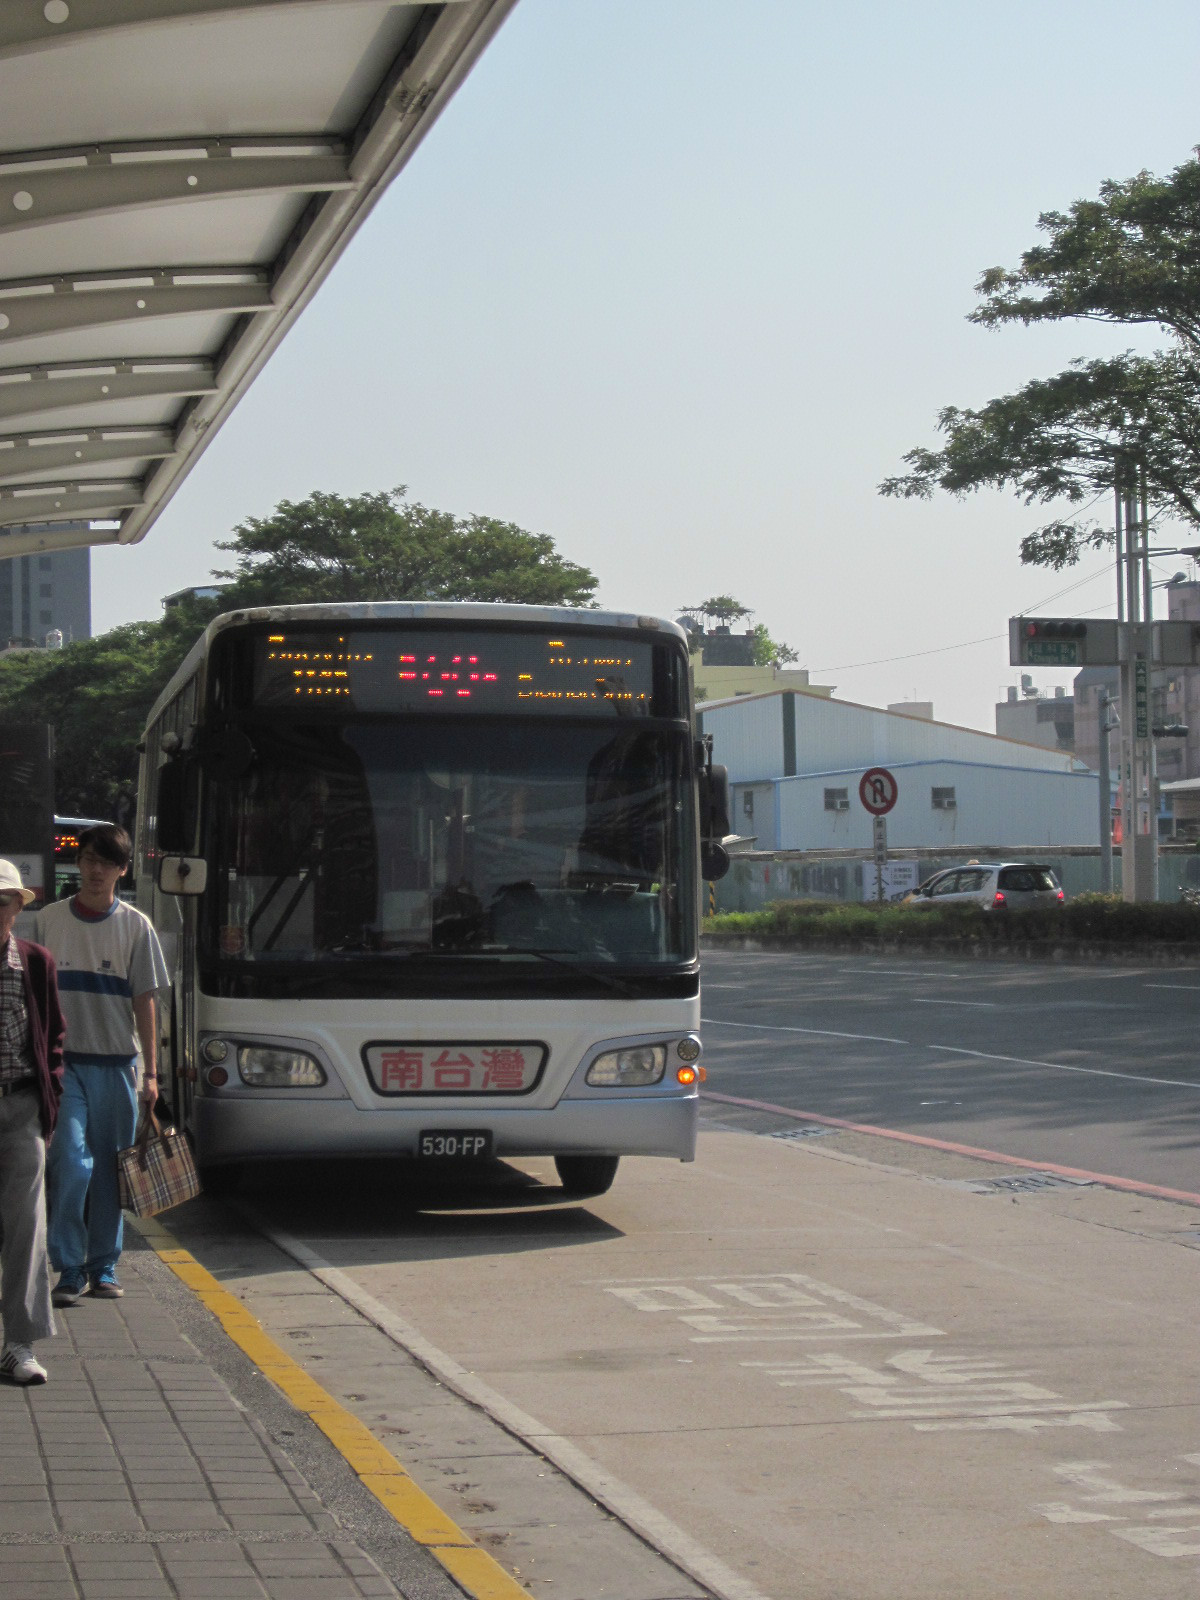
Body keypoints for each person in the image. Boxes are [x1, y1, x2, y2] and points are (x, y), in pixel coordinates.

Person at [35, 824, 168, 1305]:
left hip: (116, 1065)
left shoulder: (136, 926)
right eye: (89, 859)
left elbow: (146, 1001)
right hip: (61, 1066)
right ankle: (68, 1267)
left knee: (112, 1172)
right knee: (70, 1162)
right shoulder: (48, 920)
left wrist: (151, 1074)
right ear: (78, 863)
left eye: (106, 863)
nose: (95, 870)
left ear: (122, 870)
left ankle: (103, 1267)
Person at [0, 858, 65, 1385]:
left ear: (19, 907)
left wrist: (51, 1104)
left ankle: (18, 1344)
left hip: (22, 1106)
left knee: (27, 1225)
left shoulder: (36, 962)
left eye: (2, 902)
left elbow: (54, 1039)